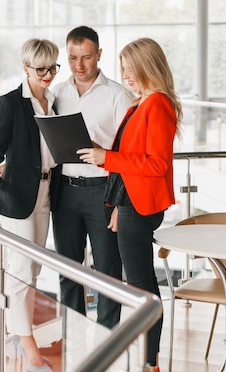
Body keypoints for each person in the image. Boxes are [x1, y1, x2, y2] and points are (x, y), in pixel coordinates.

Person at [77, 37, 181, 372]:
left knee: (142, 293)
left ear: (146, 66)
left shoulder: (159, 105)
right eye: (122, 70)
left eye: (129, 69)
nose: (125, 77)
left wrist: (107, 157)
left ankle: (148, 369)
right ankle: (143, 368)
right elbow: (132, 158)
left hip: (142, 206)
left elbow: (155, 164)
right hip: (130, 203)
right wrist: (109, 171)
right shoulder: (142, 104)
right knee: (137, 289)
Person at [0, 38, 61, 372]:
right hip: (18, 196)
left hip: (47, 193)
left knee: (32, 271)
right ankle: (27, 341)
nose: (48, 74)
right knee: (20, 271)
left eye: (53, 67)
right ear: (25, 68)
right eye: (41, 69)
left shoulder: (53, 100)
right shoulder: (10, 102)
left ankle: (17, 333)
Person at [51, 26, 133, 329]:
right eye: (72, 58)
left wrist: (121, 204)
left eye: (86, 57)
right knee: (68, 271)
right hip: (65, 193)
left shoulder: (118, 95)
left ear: (99, 54)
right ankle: (74, 342)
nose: (79, 65)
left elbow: (130, 153)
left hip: (105, 192)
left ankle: (107, 344)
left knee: (108, 272)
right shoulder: (56, 93)